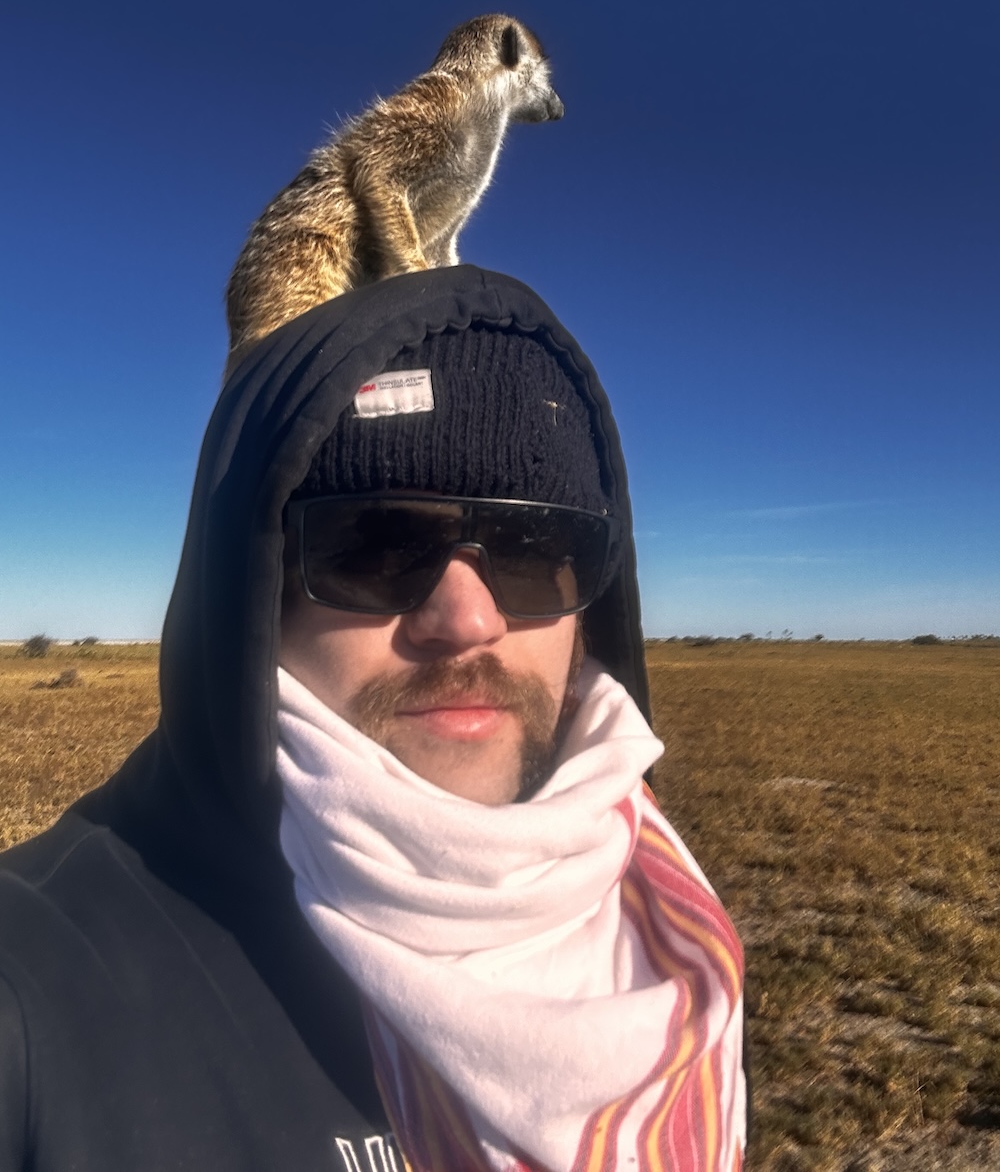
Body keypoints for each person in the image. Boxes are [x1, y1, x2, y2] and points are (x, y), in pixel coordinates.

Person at [0, 265, 747, 1171]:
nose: (468, 621)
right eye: (378, 548)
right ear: (251, 592)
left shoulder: (662, 923)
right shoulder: (37, 990)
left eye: (532, 547)